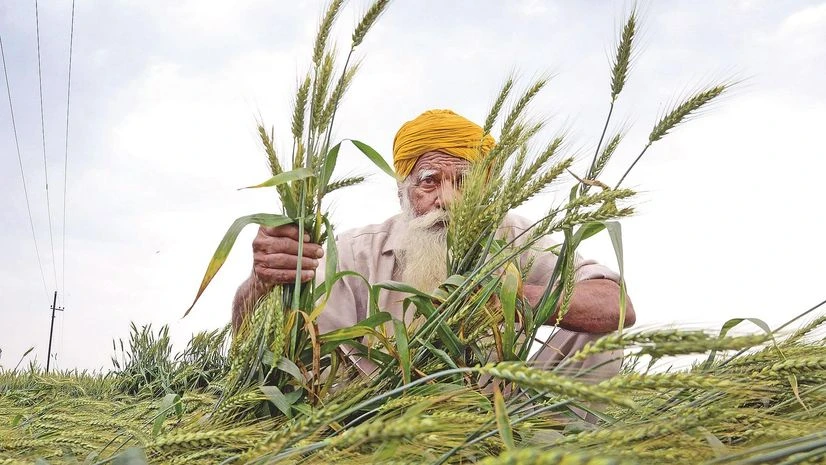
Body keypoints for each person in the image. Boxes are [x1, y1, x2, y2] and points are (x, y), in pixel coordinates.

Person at [232, 109, 635, 381]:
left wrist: (515, 300)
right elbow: (254, 336)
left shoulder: (513, 238)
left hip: (498, 413)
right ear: (403, 193)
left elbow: (617, 304)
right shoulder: (354, 252)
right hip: (372, 418)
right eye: (429, 181)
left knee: (601, 330)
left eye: (464, 182)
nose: (447, 200)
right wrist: (263, 282)